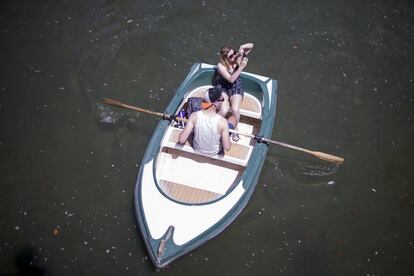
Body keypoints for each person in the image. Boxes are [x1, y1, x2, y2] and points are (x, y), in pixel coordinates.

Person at [214, 43, 254, 141]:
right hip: (223, 87)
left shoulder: (238, 58)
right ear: (225, 58)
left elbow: (251, 46)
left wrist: (241, 48)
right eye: (231, 56)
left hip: (236, 87)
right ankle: (212, 126)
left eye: (234, 53)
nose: (234, 56)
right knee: (224, 110)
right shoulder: (221, 66)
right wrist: (241, 68)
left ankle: (235, 129)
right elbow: (230, 79)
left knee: (235, 109)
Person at [178, 87, 232, 156]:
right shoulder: (223, 122)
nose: (223, 101)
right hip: (213, 152)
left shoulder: (194, 115)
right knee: (232, 119)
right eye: (222, 99)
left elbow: (181, 140)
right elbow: (227, 147)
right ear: (215, 103)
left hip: (197, 149)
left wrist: (183, 132)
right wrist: (228, 139)